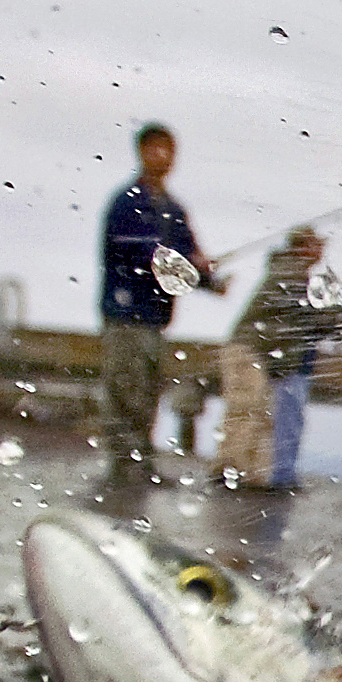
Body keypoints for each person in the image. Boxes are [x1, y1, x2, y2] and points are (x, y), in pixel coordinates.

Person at [220, 227, 342, 490]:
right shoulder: (290, 271)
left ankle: (250, 478)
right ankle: (227, 475)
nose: (321, 250)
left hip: (259, 354)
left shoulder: (293, 272)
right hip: (249, 351)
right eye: (316, 244)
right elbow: (312, 316)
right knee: (246, 413)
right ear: (303, 246)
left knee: (260, 417)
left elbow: (313, 317)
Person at [98, 123, 223, 474]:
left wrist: (211, 279)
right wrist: (190, 265)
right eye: (156, 148)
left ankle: (141, 463)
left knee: (149, 392)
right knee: (124, 389)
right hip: (124, 316)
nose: (163, 156)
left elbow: (187, 257)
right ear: (141, 152)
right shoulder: (126, 203)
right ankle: (122, 468)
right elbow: (144, 256)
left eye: (169, 150)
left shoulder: (175, 209)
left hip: (155, 319)